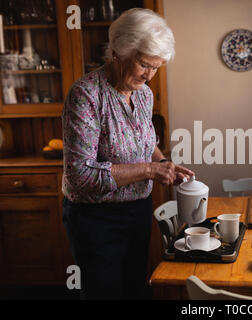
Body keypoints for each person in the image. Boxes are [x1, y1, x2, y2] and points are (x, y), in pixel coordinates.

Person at [61, 8, 194, 299]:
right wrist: (149, 171)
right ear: (119, 51)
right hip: (95, 218)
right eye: (145, 64)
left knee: (135, 289)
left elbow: (147, 146)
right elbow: (80, 175)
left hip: (137, 210)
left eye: (157, 67)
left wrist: (164, 164)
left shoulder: (144, 94)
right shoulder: (86, 94)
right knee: (104, 293)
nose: (149, 75)